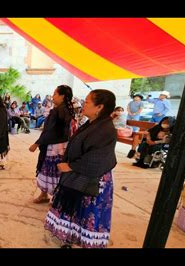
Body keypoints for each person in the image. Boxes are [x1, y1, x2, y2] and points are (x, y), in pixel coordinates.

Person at [44, 89, 117, 249]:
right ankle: (71, 239)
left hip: (92, 180)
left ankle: (85, 243)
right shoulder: (91, 124)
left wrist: (70, 165)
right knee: (76, 212)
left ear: (99, 107)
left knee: (87, 214)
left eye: (88, 102)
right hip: (81, 176)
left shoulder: (106, 129)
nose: (84, 104)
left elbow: (97, 158)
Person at [29, 85, 75, 204]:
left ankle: (56, 198)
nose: (53, 96)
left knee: (51, 171)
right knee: (49, 170)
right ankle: (44, 195)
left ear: (62, 96)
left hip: (54, 146)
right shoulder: (66, 109)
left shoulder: (58, 111)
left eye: (55, 94)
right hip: (61, 145)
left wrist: (37, 143)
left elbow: (50, 130)